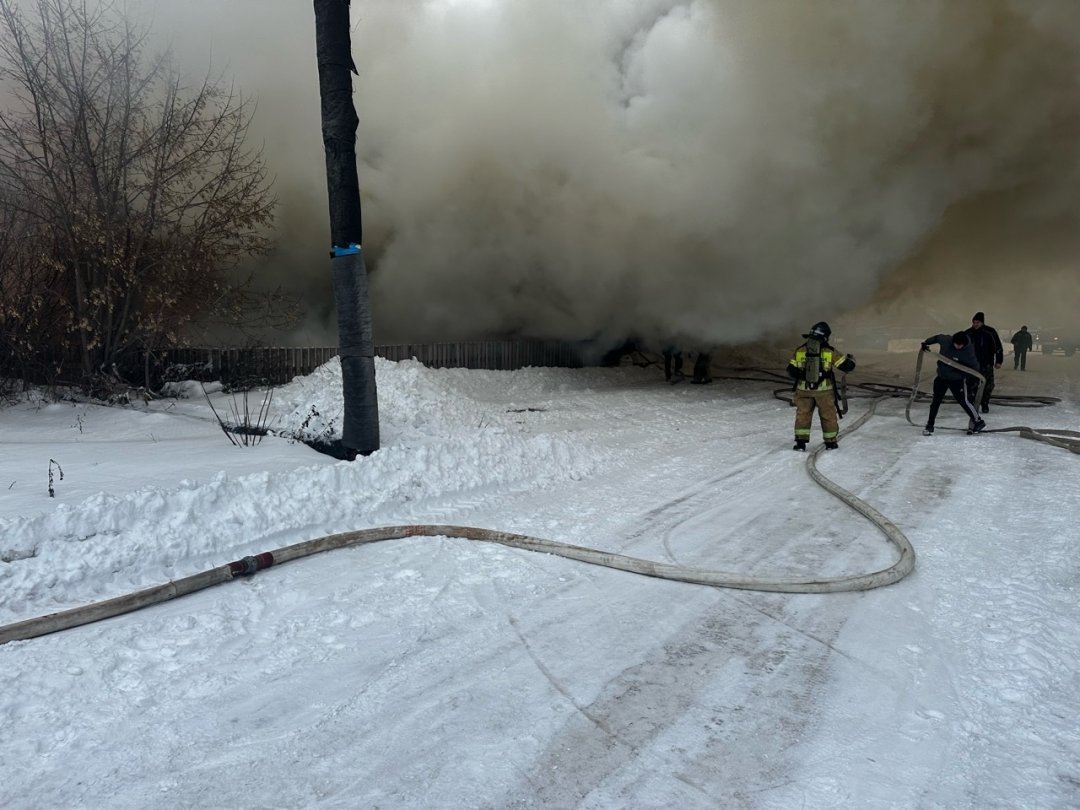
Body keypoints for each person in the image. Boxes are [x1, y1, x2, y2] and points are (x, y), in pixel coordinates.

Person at [786, 321, 855, 450]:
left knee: (803, 415)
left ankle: (800, 443)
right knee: (828, 415)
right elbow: (846, 366)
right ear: (825, 337)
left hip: (803, 391)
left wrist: (803, 374)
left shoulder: (800, 350)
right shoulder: (830, 352)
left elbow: (791, 371)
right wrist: (852, 361)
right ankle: (830, 442)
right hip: (824, 391)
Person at [920, 331, 985, 435]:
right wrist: (926, 342)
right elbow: (937, 337)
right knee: (935, 401)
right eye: (957, 344)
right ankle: (930, 425)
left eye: (961, 345)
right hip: (942, 377)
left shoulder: (968, 351)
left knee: (964, 401)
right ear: (953, 341)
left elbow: (975, 368)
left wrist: (963, 372)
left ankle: (978, 421)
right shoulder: (946, 340)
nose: (958, 347)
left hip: (957, 380)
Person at [965, 311, 1003, 413]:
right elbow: (960, 346)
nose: (975, 324)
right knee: (971, 384)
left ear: (982, 322)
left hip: (986, 364)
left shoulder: (990, 332)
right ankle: (971, 403)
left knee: (988, 385)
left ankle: (984, 403)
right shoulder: (968, 333)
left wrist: (999, 361)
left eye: (977, 322)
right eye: (974, 322)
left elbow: (998, 347)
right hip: (972, 364)